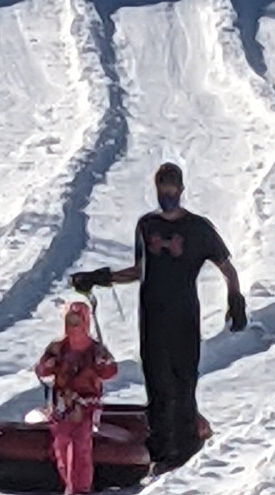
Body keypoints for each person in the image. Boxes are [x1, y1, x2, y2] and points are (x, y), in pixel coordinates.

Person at [71, 162, 247, 473]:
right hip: (151, 315)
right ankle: (161, 448)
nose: (167, 192)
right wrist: (101, 277)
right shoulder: (146, 226)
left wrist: (235, 297)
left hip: (184, 316)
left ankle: (186, 444)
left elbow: (226, 266)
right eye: (162, 186)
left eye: (172, 187)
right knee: (157, 381)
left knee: (183, 380)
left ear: (181, 189)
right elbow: (141, 270)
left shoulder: (199, 228)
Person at [34, 301, 117, 495]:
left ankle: (81, 488)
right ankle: (68, 484)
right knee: (61, 445)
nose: (73, 326)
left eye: (77, 321)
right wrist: (47, 366)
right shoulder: (57, 347)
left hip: (86, 404)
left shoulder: (96, 349)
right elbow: (41, 370)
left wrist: (103, 364)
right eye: (70, 321)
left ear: (86, 322)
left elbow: (110, 371)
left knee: (81, 445)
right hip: (63, 405)